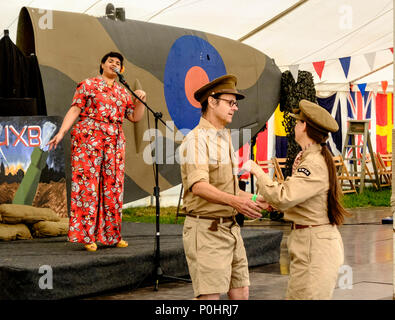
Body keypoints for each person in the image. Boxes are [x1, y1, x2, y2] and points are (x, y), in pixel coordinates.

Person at [243, 99, 349, 300]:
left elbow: (284, 196)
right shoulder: (311, 158)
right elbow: (297, 199)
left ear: (305, 127)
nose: (295, 126)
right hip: (310, 244)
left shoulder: (314, 163)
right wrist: (268, 201)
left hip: (315, 248)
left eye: (298, 122)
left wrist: (258, 171)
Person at [179, 75, 268, 300]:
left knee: (241, 293)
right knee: (210, 300)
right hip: (207, 231)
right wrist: (236, 202)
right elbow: (199, 186)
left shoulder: (224, 137)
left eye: (235, 103)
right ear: (211, 101)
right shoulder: (196, 140)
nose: (235, 108)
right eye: (230, 102)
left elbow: (229, 190)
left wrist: (256, 199)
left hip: (230, 229)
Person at [47, 51, 146, 252]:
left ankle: (112, 235)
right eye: (110, 61)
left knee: (113, 188)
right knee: (88, 186)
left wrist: (140, 101)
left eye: (118, 63)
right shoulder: (88, 85)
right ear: (102, 64)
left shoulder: (123, 92)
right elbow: (75, 109)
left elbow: (134, 117)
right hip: (89, 137)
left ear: (121, 69)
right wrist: (62, 132)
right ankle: (86, 236)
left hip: (115, 140)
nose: (114, 64)